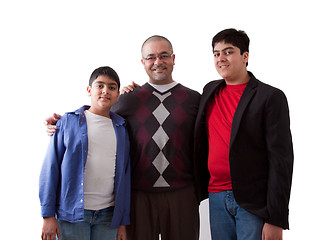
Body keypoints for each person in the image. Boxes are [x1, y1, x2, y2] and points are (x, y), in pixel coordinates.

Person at [44, 36, 202, 240]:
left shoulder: (194, 99)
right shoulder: (128, 99)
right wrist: (61, 122)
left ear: (173, 58)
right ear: (143, 62)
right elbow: (98, 113)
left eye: (163, 56)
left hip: (182, 192)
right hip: (139, 195)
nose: (158, 62)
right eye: (151, 57)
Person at [194, 28, 294, 240]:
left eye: (228, 52)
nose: (221, 58)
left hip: (253, 201)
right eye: (216, 53)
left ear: (245, 56)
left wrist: (276, 219)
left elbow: (281, 160)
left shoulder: (270, 97)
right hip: (216, 196)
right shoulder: (209, 91)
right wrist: (139, 93)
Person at [39, 66, 131, 240]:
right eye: (100, 86)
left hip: (108, 217)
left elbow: (125, 177)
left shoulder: (122, 128)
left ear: (118, 95)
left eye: (112, 87)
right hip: (72, 216)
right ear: (89, 90)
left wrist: (122, 222)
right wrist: (48, 215)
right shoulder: (67, 122)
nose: (105, 91)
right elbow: (50, 170)